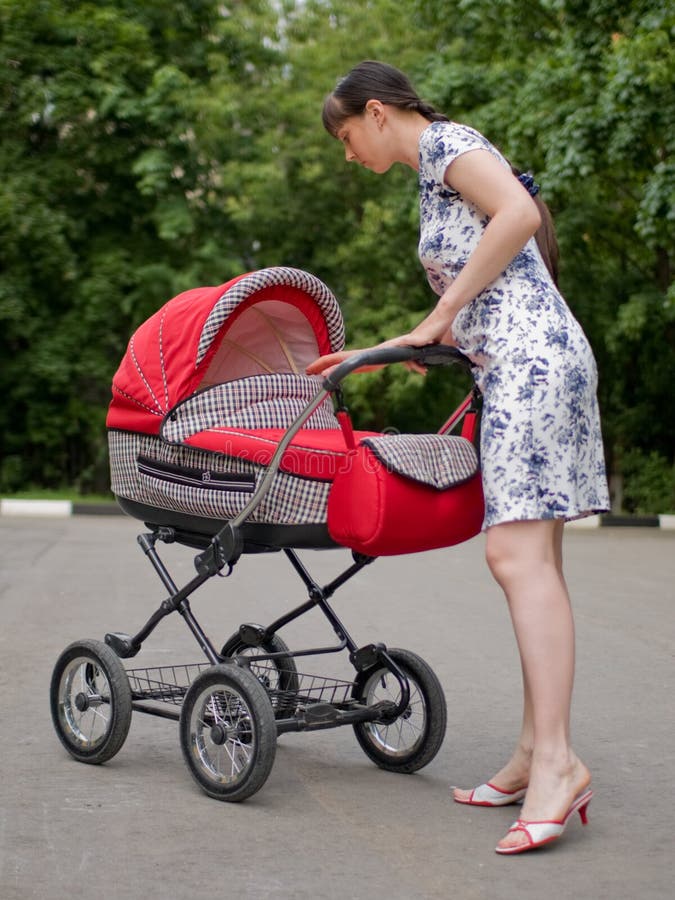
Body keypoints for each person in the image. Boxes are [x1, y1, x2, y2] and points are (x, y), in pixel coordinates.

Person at [307, 60, 610, 855]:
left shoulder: (446, 141)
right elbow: (495, 277)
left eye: (345, 137)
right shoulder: (434, 170)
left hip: (531, 367)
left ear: (376, 113)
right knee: (532, 558)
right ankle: (529, 752)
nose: (347, 155)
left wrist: (442, 315)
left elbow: (515, 212)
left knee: (516, 558)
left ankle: (555, 763)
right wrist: (401, 343)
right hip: (522, 359)